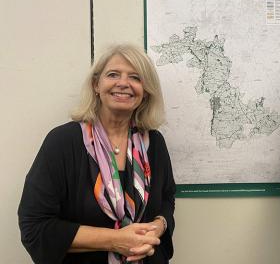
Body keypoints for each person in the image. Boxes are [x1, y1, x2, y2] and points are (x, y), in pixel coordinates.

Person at [18, 44, 176, 264]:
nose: (123, 83)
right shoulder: (63, 142)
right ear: (96, 85)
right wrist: (114, 240)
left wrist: (159, 225)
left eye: (135, 77)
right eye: (113, 74)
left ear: (145, 91)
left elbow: (167, 199)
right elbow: (35, 226)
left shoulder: (154, 143)